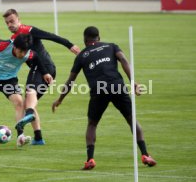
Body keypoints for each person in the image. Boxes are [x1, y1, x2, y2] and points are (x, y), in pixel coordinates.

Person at [52, 26, 157, 170]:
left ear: (85, 40)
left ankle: (90, 159)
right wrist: (133, 82)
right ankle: (145, 154)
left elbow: (71, 80)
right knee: (132, 120)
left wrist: (60, 99)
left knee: (92, 124)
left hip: (98, 90)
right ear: (98, 38)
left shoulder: (82, 55)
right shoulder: (111, 46)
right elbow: (124, 60)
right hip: (117, 85)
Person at [2, 9, 80, 145]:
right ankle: (38, 138)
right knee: (29, 102)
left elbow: (50, 36)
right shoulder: (14, 39)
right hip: (40, 70)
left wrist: (70, 45)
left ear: (18, 19)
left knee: (29, 94)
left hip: (44, 68)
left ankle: (29, 114)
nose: (10, 25)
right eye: (7, 23)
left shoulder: (29, 30)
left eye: (12, 21)